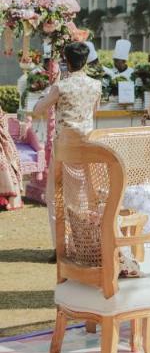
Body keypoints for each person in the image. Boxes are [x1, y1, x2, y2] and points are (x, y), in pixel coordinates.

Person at [32, 41, 102, 249]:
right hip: (89, 147)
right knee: (86, 196)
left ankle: (60, 246)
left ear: (66, 62)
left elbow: (37, 110)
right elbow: (94, 112)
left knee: (55, 196)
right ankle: (85, 241)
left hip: (64, 148)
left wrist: (52, 89)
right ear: (85, 62)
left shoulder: (60, 86)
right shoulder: (96, 85)